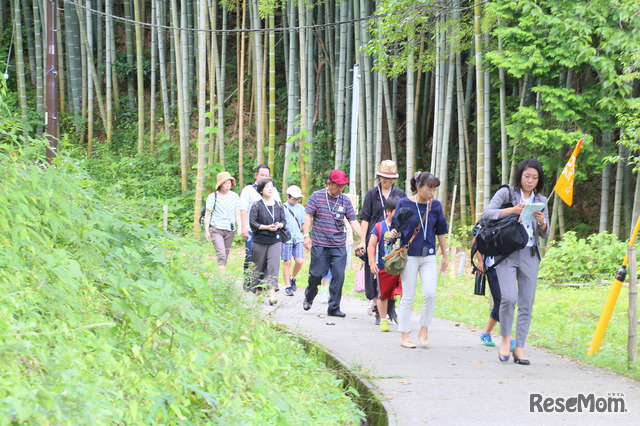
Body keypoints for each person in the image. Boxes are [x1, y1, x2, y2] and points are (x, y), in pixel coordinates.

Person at [482, 158, 549, 365]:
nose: (530, 181)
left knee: (526, 303)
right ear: (520, 175)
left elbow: (545, 234)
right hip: (507, 253)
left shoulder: (541, 200)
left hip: (530, 254)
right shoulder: (507, 193)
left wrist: (542, 223)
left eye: (535, 178)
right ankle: (505, 340)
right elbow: (487, 213)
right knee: (508, 298)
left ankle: (520, 348)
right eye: (527, 176)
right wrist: (513, 210)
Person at [393, 172, 448, 348]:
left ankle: (424, 329)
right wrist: (394, 232)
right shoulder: (404, 203)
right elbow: (396, 226)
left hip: (429, 256)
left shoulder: (436, 206)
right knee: (408, 296)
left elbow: (441, 231)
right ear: (419, 187)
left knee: (430, 293)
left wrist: (445, 255)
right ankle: (404, 335)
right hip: (409, 256)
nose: (432, 192)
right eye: (429, 188)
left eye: (434, 189)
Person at [302, 169, 362, 317]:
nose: (340, 189)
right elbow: (308, 216)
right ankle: (309, 296)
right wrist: (306, 236)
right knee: (316, 274)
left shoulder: (345, 200)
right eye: (338, 186)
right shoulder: (317, 196)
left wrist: (364, 238)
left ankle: (334, 308)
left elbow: (353, 221)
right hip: (320, 243)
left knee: (339, 276)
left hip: (338, 245)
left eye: (343, 186)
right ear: (329, 183)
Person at [358, 161, 406, 324]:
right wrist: (362, 241)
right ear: (379, 177)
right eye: (384, 177)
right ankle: (379, 309)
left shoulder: (399, 193)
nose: (387, 180)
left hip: (394, 238)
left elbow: (405, 214)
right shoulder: (372, 193)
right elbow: (365, 217)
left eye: (390, 178)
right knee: (374, 275)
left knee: (393, 274)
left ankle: (389, 308)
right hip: (374, 235)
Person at [240, 165, 280, 291]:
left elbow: (279, 208)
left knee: (269, 259)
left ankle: (264, 285)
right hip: (253, 230)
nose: (264, 177)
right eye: (262, 175)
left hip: (270, 232)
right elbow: (243, 209)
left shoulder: (273, 190)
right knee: (251, 256)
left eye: (267, 175)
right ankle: (248, 281)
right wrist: (243, 227)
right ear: (256, 175)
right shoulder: (248, 190)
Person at [367, 197, 402, 332]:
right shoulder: (379, 227)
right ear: (388, 211)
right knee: (383, 295)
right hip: (384, 266)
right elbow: (371, 245)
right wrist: (371, 263)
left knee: (402, 293)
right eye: (396, 211)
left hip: (401, 267)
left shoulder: (404, 226)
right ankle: (383, 319)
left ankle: (402, 319)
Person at [249, 178, 286, 305]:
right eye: (267, 187)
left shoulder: (278, 204)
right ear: (261, 190)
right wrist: (266, 227)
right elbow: (252, 223)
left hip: (275, 239)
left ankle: (271, 293)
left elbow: (283, 221)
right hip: (260, 239)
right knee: (259, 267)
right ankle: (258, 292)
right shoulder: (256, 205)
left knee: (273, 266)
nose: (270, 189)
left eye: (272, 186)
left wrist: (279, 225)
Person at [204, 171, 241, 271]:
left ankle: (220, 280)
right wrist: (206, 231)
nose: (227, 185)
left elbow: (237, 213)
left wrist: (240, 227)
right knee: (221, 255)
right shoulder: (213, 196)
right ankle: (221, 282)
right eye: (225, 183)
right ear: (220, 184)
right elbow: (208, 214)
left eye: (229, 183)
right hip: (216, 229)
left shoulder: (235, 196)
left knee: (225, 256)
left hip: (230, 229)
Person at [282, 185, 306, 296]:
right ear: (288, 197)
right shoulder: (282, 207)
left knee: (299, 260)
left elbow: (303, 223)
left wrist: (306, 236)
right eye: (294, 198)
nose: (296, 201)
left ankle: (293, 278)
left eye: (298, 199)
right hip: (287, 238)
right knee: (287, 261)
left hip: (298, 237)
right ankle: (287, 286)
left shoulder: (301, 208)